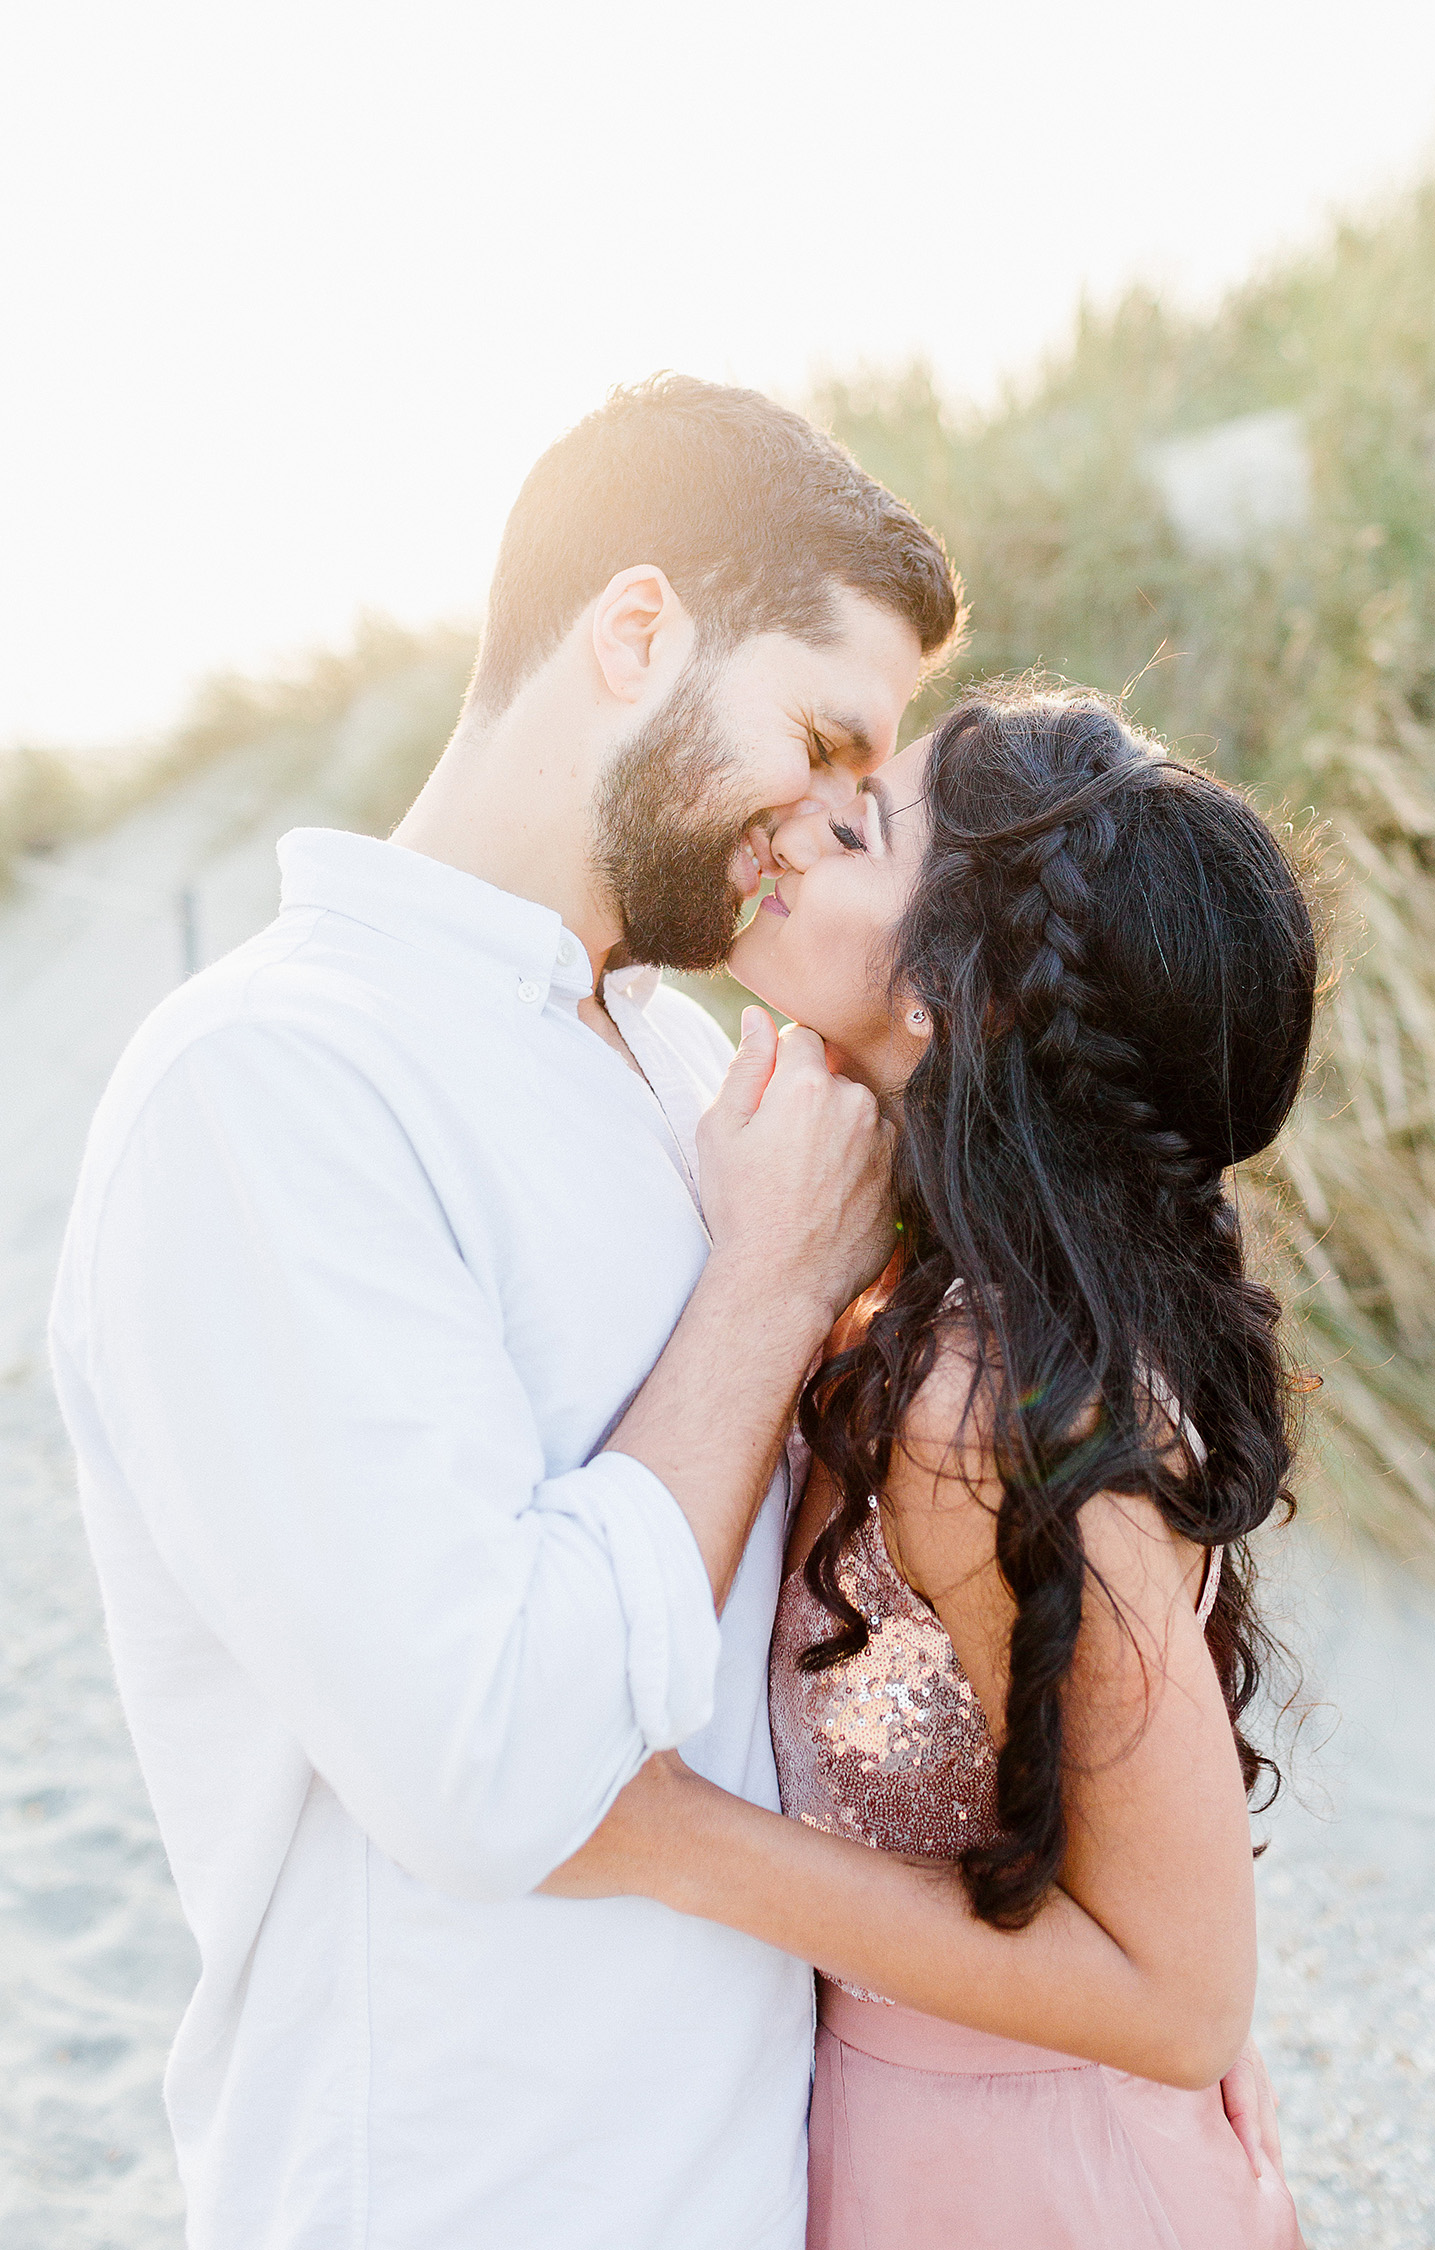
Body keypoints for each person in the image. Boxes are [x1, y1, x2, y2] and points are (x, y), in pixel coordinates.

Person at [48, 375, 960, 2250]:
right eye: (823, 735)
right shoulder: (272, 1083)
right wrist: (771, 1290)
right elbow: (483, 1764)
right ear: (637, 630)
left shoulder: (666, 1049)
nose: (834, 821)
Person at [544, 687, 1314, 2248]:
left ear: (953, 1000)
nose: (784, 819)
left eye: (855, 827)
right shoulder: (906, 1289)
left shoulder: (980, 1401)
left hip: (1032, 2178)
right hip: (922, 2140)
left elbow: (1184, 1996)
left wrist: (680, 1836)